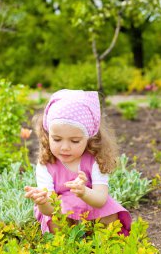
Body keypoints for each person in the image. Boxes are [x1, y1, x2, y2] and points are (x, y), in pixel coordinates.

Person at [24, 89, 131, 236]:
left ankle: (102, 243)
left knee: (110, 215)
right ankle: (69, 246)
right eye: (57, 139)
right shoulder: (46, 164)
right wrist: (42, 202)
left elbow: (100, 199)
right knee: (57, 221)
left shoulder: (94, 159)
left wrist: (84, 192)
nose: (65, 147)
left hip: (90, 202)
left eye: (74, 141)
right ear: (47, 135)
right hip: (60, 206)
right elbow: (50, 209)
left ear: (89, 139)